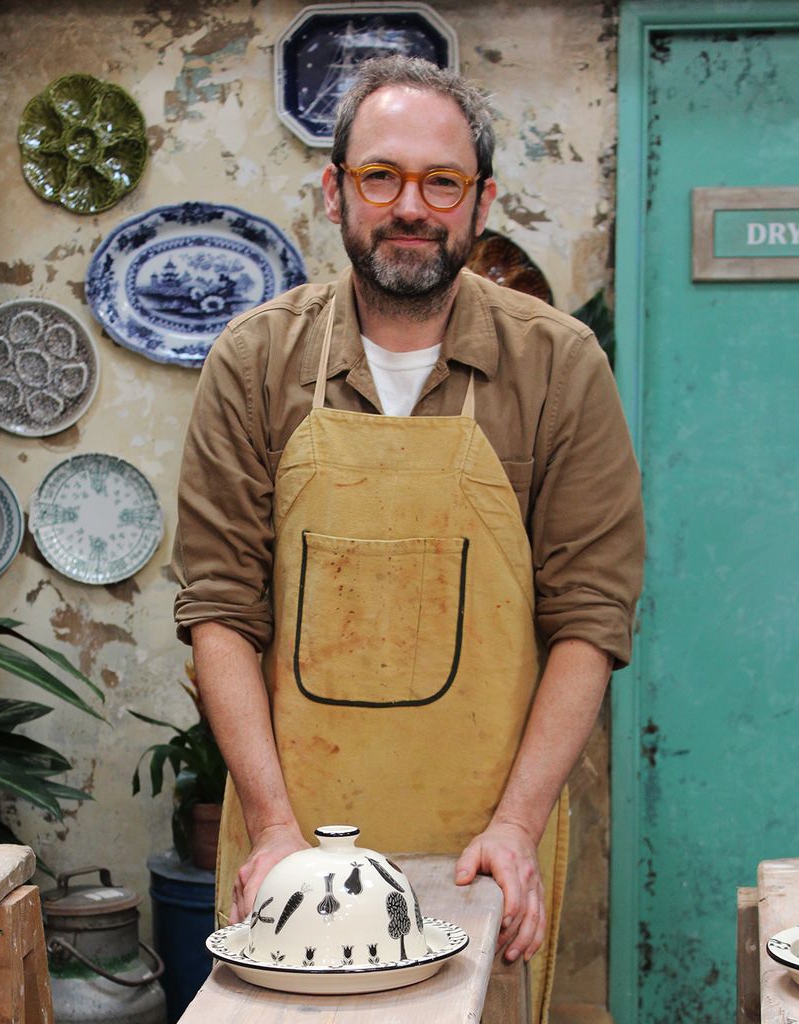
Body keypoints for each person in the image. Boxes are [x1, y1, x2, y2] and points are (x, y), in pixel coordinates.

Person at [172, 55, 643, 1018]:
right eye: (380, 176)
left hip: (492, 838)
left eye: (441, 182)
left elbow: (590, 617)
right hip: (296, 838)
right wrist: (271, 826)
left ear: (480, 202)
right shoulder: (255, 363)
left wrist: (515, 824)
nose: (410, 207)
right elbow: (218, 609)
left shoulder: (558, 365)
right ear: (335, 189)